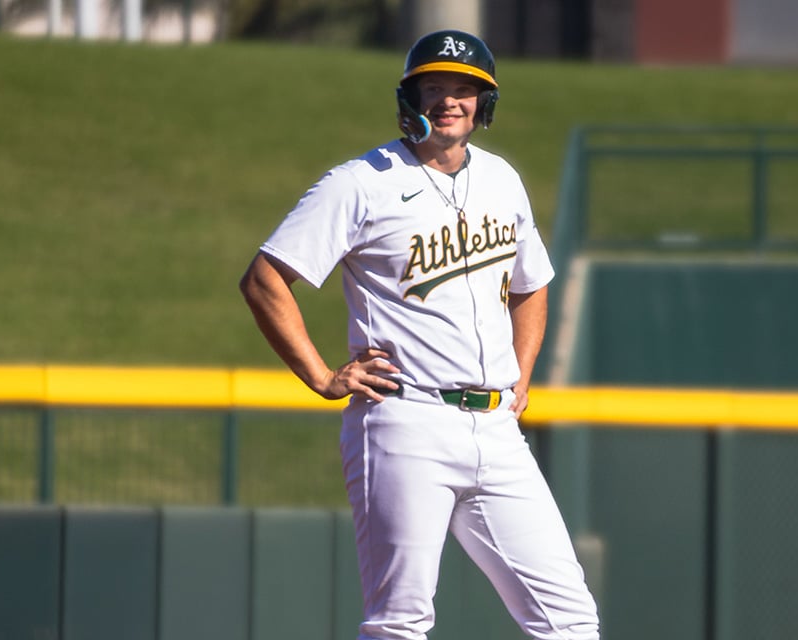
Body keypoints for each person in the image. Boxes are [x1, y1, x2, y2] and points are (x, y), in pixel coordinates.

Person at [240, 29, 600, 640]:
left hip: (496, 428)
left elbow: (531, 283)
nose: (450, 101)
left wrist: (524, 373)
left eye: (465, 89)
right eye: (434, 87)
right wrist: (324, 377)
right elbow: (265, 278)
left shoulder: (501, 179)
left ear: (483, 104)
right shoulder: (360, 182)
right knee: (399, 623)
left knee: (569, 618)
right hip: (407, 421)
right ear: (409, 97)